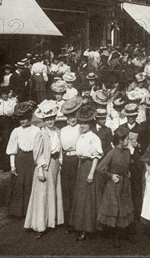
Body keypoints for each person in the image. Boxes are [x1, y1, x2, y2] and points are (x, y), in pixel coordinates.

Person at [24, 100, 64, 238]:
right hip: (44, 166)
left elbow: (60, 150)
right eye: (47, 119)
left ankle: (51, 221)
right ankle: (40, 226)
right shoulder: (41, 134)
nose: (50, 121)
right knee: (42, 195)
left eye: (52, 118)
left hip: (55, 164)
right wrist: (40, 169)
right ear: (44, 120)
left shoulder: (58, 131)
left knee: (53, 193)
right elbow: (38, 153)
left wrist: (60, 162)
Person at [96, 126, 135, 248]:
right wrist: (111, 175)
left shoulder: (127, 152)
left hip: (125, 184)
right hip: (114, 185)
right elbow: (100, 168)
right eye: (127, 139)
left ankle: (123, 234)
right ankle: (115, 237)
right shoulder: (112, 153)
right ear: (121, 140)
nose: (128, 141)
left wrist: (128, 172)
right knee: (116, 210)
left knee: (125, 208)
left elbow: (128, 164)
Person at [70, 105, 104, 241]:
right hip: (82, 167)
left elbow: (96, 156)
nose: (82, 126)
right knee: (81, 198)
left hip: (90, 167)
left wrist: (91, 173)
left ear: (90, 124)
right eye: (81, 123)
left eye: (85, 124)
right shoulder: (81, 136)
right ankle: (81, 226)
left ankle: (89, 228)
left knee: (89, 199)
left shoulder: (93, 137)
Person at [6, 101, 40, 217]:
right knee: (19, 184)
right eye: (20, 119)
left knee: (31, 183)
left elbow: (39, 148)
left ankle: (29, 211)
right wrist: (12, 165)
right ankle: (18, 211)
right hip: (20, 160)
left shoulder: (36, 130)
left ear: (29, 118)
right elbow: (12, 149)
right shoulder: (16, 131)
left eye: (25, 119)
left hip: (32, 159)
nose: (22, 121)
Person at [58, 97, 82, 232]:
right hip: (66, 161)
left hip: (77, 160)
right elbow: (61, 148)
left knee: (75, 191)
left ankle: (76, 221)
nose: (72, 119)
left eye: (74, 116)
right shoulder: (63, 130)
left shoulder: (80, 128)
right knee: (66, 191)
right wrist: (61, 162)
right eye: (69, 117)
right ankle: (68, 220)